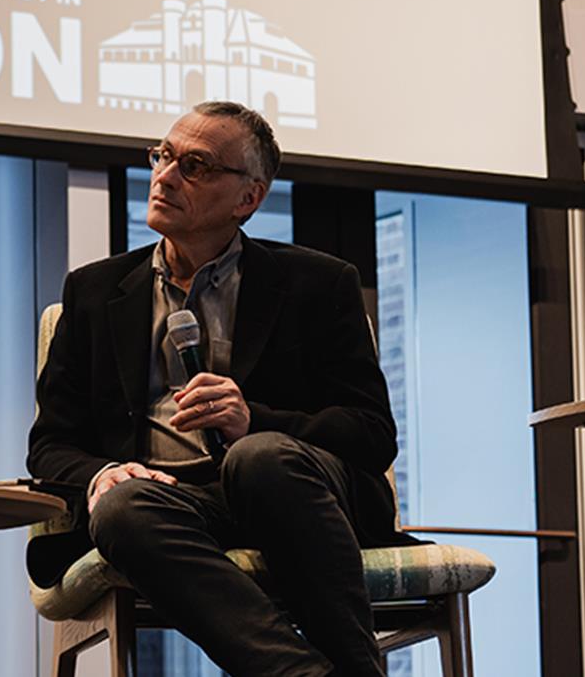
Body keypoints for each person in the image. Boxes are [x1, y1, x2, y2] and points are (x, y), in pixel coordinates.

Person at [27, 101, 416, 675]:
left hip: (290, 492)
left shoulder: (318, 283)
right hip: (172, 504)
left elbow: (372, 435)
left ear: (248, 198)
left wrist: (253, 419)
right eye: (163, 156)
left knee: (259, 458)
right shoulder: (94, 291)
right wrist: (100, 474)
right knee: (122, 507)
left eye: (196, 165)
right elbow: (50, 445)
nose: (165, 175)